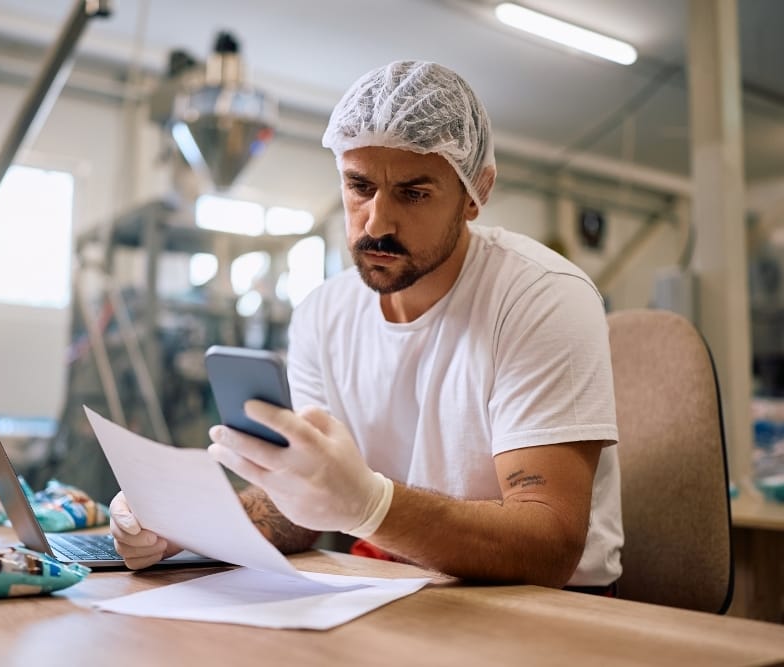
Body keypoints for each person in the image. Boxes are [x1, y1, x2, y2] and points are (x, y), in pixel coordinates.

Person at [110, 60, 622, 590]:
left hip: (545, 609)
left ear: (476, 193)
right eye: (359, 186)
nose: (376, 222)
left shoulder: (538, 297)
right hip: (394, 591)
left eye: (414, 193)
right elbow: (302, 505)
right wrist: (189, 526)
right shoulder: (324, 314)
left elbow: (549, 545)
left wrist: (371, 505)